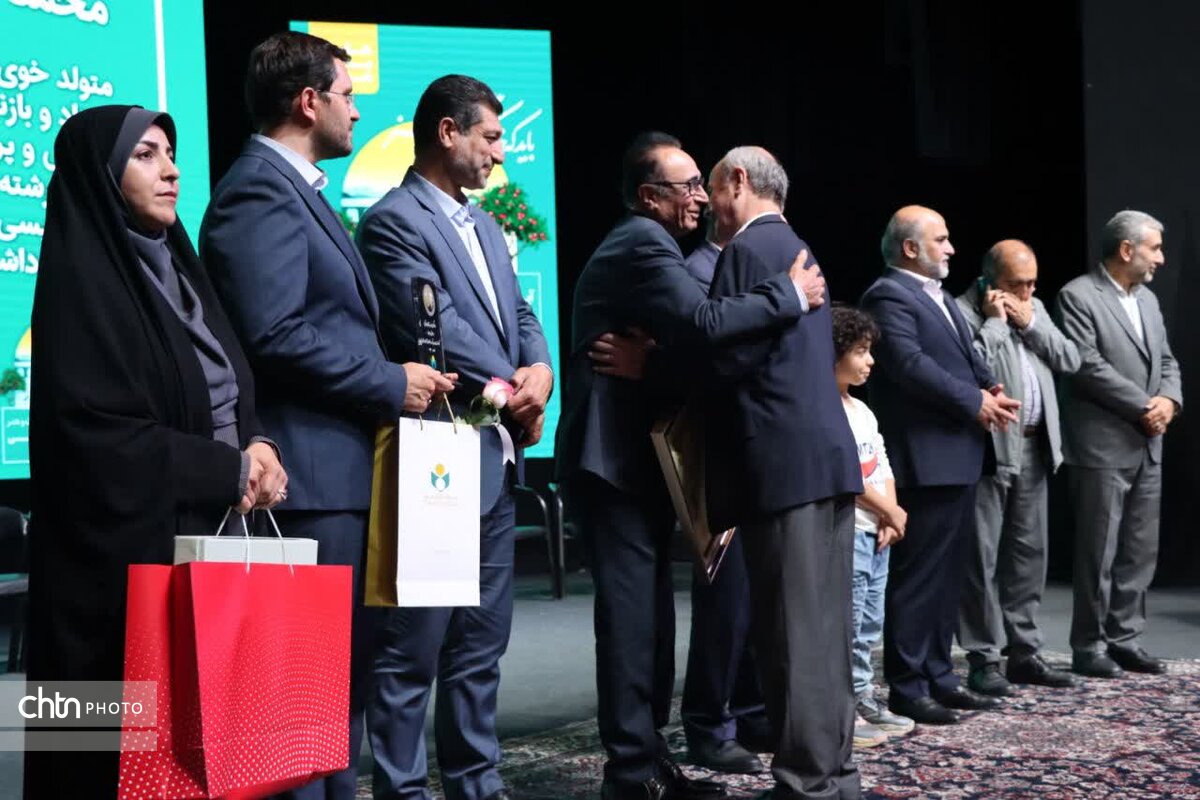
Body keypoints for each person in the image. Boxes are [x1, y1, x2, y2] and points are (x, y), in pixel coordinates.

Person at [201, 32, 451, 799]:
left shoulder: (296, 190)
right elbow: (274, 333)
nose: (356, 111)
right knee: (302, 710)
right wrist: (387, 381)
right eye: (348, 95)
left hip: (338, 476)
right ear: (308, 102)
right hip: (306, 486)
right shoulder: (257, 191)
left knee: (337, 700)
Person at [25, 104, 286, 797]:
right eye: (144, 155)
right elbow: (96, 439)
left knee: (202, 761)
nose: (171, 171)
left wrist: (258, 442)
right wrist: (228, 469)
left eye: (170, 154)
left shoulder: (180, 268)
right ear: (102, 175)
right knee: (106, 766)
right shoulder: (82, 285)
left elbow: (227, 383)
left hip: (200, 546)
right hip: (107, 583)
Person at [556, 132, 821, 800]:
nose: (702, 196)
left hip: (633, 465)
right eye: (689, 186)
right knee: (631, 623)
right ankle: (629, 774)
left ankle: (649, 765)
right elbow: (703, 322)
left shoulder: (654, 245)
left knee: (651, 619)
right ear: (650, 197)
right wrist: (788, 296)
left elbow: (686, 344)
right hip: (610, 465)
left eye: (704, 185)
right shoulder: (642, 242)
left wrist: (652, 361)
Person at [356, 74, 553, 800]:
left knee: (480, 647)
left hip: (494, 460)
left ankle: (477, 784)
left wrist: (541, 371)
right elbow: (432, 329)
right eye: (491, 137)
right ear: (448, 132)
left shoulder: (488, 226)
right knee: (412, 652)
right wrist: (510, 390)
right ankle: (403, 791)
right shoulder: (393, 221)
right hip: (433, 463)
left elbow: (519, 314)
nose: (500, 152)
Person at [703, 147, 862, 799]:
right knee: (826, 631)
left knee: (790, 634)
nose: (706, 204)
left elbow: (726, 357)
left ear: (738, 181)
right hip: (826, 459)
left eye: (712, 187)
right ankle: (835, 774)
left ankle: (805, 783)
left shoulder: (745, 250)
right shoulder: (801, 249)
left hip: (781, 464)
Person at [859, 205, 1020, 726]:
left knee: (949, 576)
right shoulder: (887, 295)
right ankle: (908, 686)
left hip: (958, 455)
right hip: (924, 457)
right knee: (919, 577)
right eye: (941, 239)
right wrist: (974, 400)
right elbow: (909, 365)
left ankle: (940, 676)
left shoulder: (942, 296)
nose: (951, 248)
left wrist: (990, 386)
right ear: (910, 248)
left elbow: (966, 354)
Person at [1056, 210, 1182, 678]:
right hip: (1103, 445)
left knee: (1138, 549)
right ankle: (1089, 646)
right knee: (1098, 551)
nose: (1161, 258)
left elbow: (1167, 360)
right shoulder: (1077, 295)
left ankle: (1125, 638)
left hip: (1148, 442)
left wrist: (1169, 401)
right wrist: (1145, 405)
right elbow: (1086, 365)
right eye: (1155, 248)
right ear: (1127, 249)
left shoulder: (1147, 300)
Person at [954, 240, 1080, 695]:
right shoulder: (962, 312)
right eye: (1016, 285)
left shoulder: (1034, 308)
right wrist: (995, 323)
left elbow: (1070, 358)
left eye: (1032, 284)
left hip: (1034, 447)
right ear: (989, 282)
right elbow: (968, 372)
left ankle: (1024, 652)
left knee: (1029, 555)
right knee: (981, 557)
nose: (1026, 293)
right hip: (988, 450)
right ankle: (983, 657)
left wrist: (1029, 324)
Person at [678, 213, 770, 775]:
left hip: (759, 451)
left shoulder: (746, 269)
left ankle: (753, 712)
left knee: (756, 596)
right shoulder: (698, 271)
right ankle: (708, 723)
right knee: (725, 600)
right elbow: (704, 356)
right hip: (717, 454)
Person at [829, 305, 915, 746]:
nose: (870, 361)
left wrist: (890, 512)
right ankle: (842, 710)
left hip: (874, 530)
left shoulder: (861, 409)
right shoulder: (825, 409)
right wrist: (889, 510)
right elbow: (845, 474)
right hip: (847, 531)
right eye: (860, 351)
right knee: (846, 623)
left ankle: (862, 696)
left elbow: (880, 462)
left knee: (868, 624)